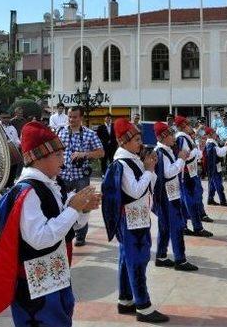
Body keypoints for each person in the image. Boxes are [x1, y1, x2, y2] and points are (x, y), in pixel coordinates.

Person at [0, 121, 101, 326]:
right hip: (35, 283)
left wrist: (81, 209)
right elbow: (39, 238)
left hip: (52, 275)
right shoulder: (28, 192)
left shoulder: (49, 186)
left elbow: (64, 227)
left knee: (60, 316)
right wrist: (73, 209)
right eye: (58, 155)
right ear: (39, 158)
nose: (63, 160)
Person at [100, 118, 169, 323]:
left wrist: (151, 169)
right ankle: (143, 306)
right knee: (137, 261)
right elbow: (137, 191)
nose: (140, 143)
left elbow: (148, 186)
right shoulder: (122, 164)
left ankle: (126, 300)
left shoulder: (132, 160)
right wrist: (148, 170)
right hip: (131, 221)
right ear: (123, 142)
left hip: (136, 217)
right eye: (137, 139)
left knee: (126, 259)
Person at [152, 122, 197, 272]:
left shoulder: (166, 150)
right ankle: (180, 259)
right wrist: (181, 159)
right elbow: (168, 172)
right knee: (176, 226)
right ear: (162, 137)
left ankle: (161, 255)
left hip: (169, 193)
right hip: (167, 195)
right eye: (170, 135)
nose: (173, 137)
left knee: (164, 226)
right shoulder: (160, 152)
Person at [57, 106, 104, 246]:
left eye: (75, 117)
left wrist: (84, 154)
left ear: (81, 118)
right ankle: (65, 234)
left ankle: (80, 236)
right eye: (70, 116)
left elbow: (101, 152)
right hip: (64, 175)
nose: (71, 119)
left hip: (81, 177)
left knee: (84, 206)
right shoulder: (61, 132)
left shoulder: (89, 134)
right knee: (63, 205)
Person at [174, 115, 213, 237]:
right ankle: (197, 227)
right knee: (191, 202)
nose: (190, 126)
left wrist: (197, 149)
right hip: (186, 173)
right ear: (182, 127)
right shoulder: (181, 138)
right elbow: (183, 155)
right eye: (187, 124)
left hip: (190, 172)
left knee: (188, 201)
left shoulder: (186, 138)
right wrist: (196, 150)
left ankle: (184, 226)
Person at [205, 127, 227, 206]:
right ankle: (223, 200)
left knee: (212, 184)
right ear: (210, 134)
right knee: (218, 184)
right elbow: (220, 153)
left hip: (213, 167)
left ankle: (210, 199)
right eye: (214, 133)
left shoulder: (211, 143)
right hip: (214, 167)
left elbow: (219, 151)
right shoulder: (211, 144)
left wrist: (225, 145)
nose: (216, 134)